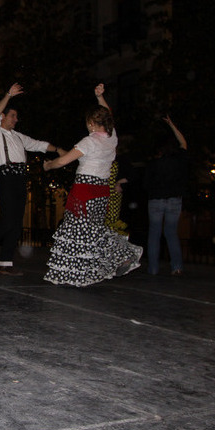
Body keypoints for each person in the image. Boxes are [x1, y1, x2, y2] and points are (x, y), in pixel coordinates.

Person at [42, 84, 143, 287]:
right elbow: (109, 117)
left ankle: (78, 271)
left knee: (77, 230)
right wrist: (100, 97)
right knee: (92, 230)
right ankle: (100, 263)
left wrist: (48, 165)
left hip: (85, 189)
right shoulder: (111, 139)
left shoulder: (89, 141)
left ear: (91, 123)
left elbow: (63, 161)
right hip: (102, 191)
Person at [0, 83, 65, 276]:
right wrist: (8, 94)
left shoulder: (19, 137)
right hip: (7, 180)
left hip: (21, 180)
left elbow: (39, 144)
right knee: (8, 221)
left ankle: (6, 263)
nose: (16, 119)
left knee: (16, 223)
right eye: (13, 116)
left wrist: (57, 149)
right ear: (4, 117)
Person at [144, 115, 188, 276]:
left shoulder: (153, 163)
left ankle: (153, 268)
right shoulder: (179, 160)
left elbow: (146, 183)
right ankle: (176, 267)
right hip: (174, 199)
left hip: (156, 199)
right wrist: (172, 125)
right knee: (171, 232)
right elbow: (183, 143)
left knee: (154, 233)